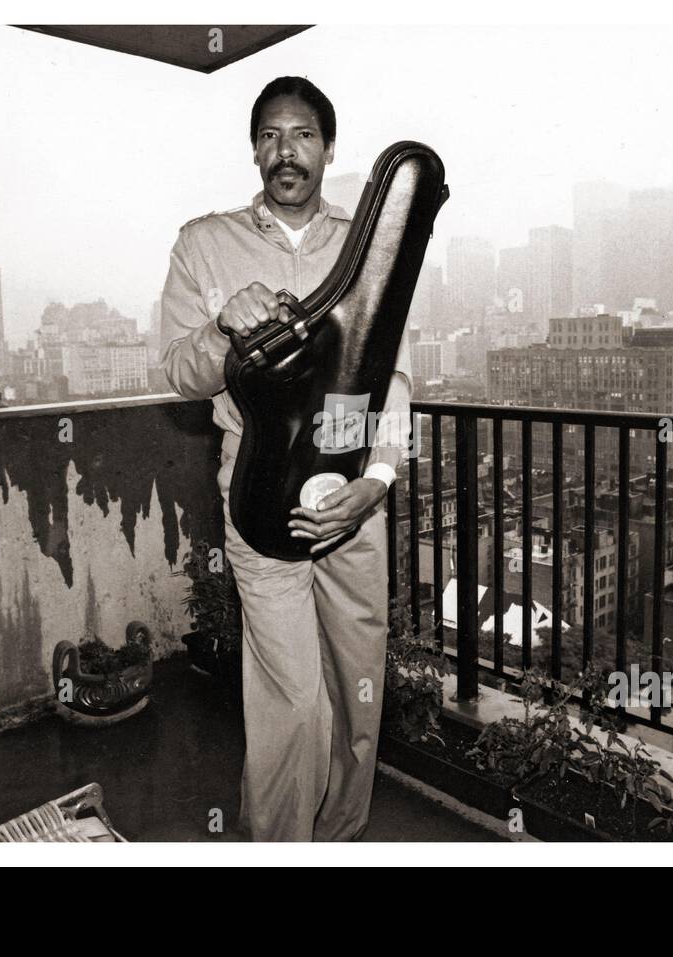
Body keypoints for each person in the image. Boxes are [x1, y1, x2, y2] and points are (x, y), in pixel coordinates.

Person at [158, 76, 412, 841]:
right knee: (292, 704)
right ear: (254, 151)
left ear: (329, 148)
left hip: (351, 502)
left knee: (357, 696)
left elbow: (395, 371)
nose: (285, 152)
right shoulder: (203, 242)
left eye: (301, 135)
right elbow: (174, 371)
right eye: (269, 136)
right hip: (258, 496)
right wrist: (221, 333)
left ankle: (337, 838)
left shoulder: (370, 243)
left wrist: (379, 480)